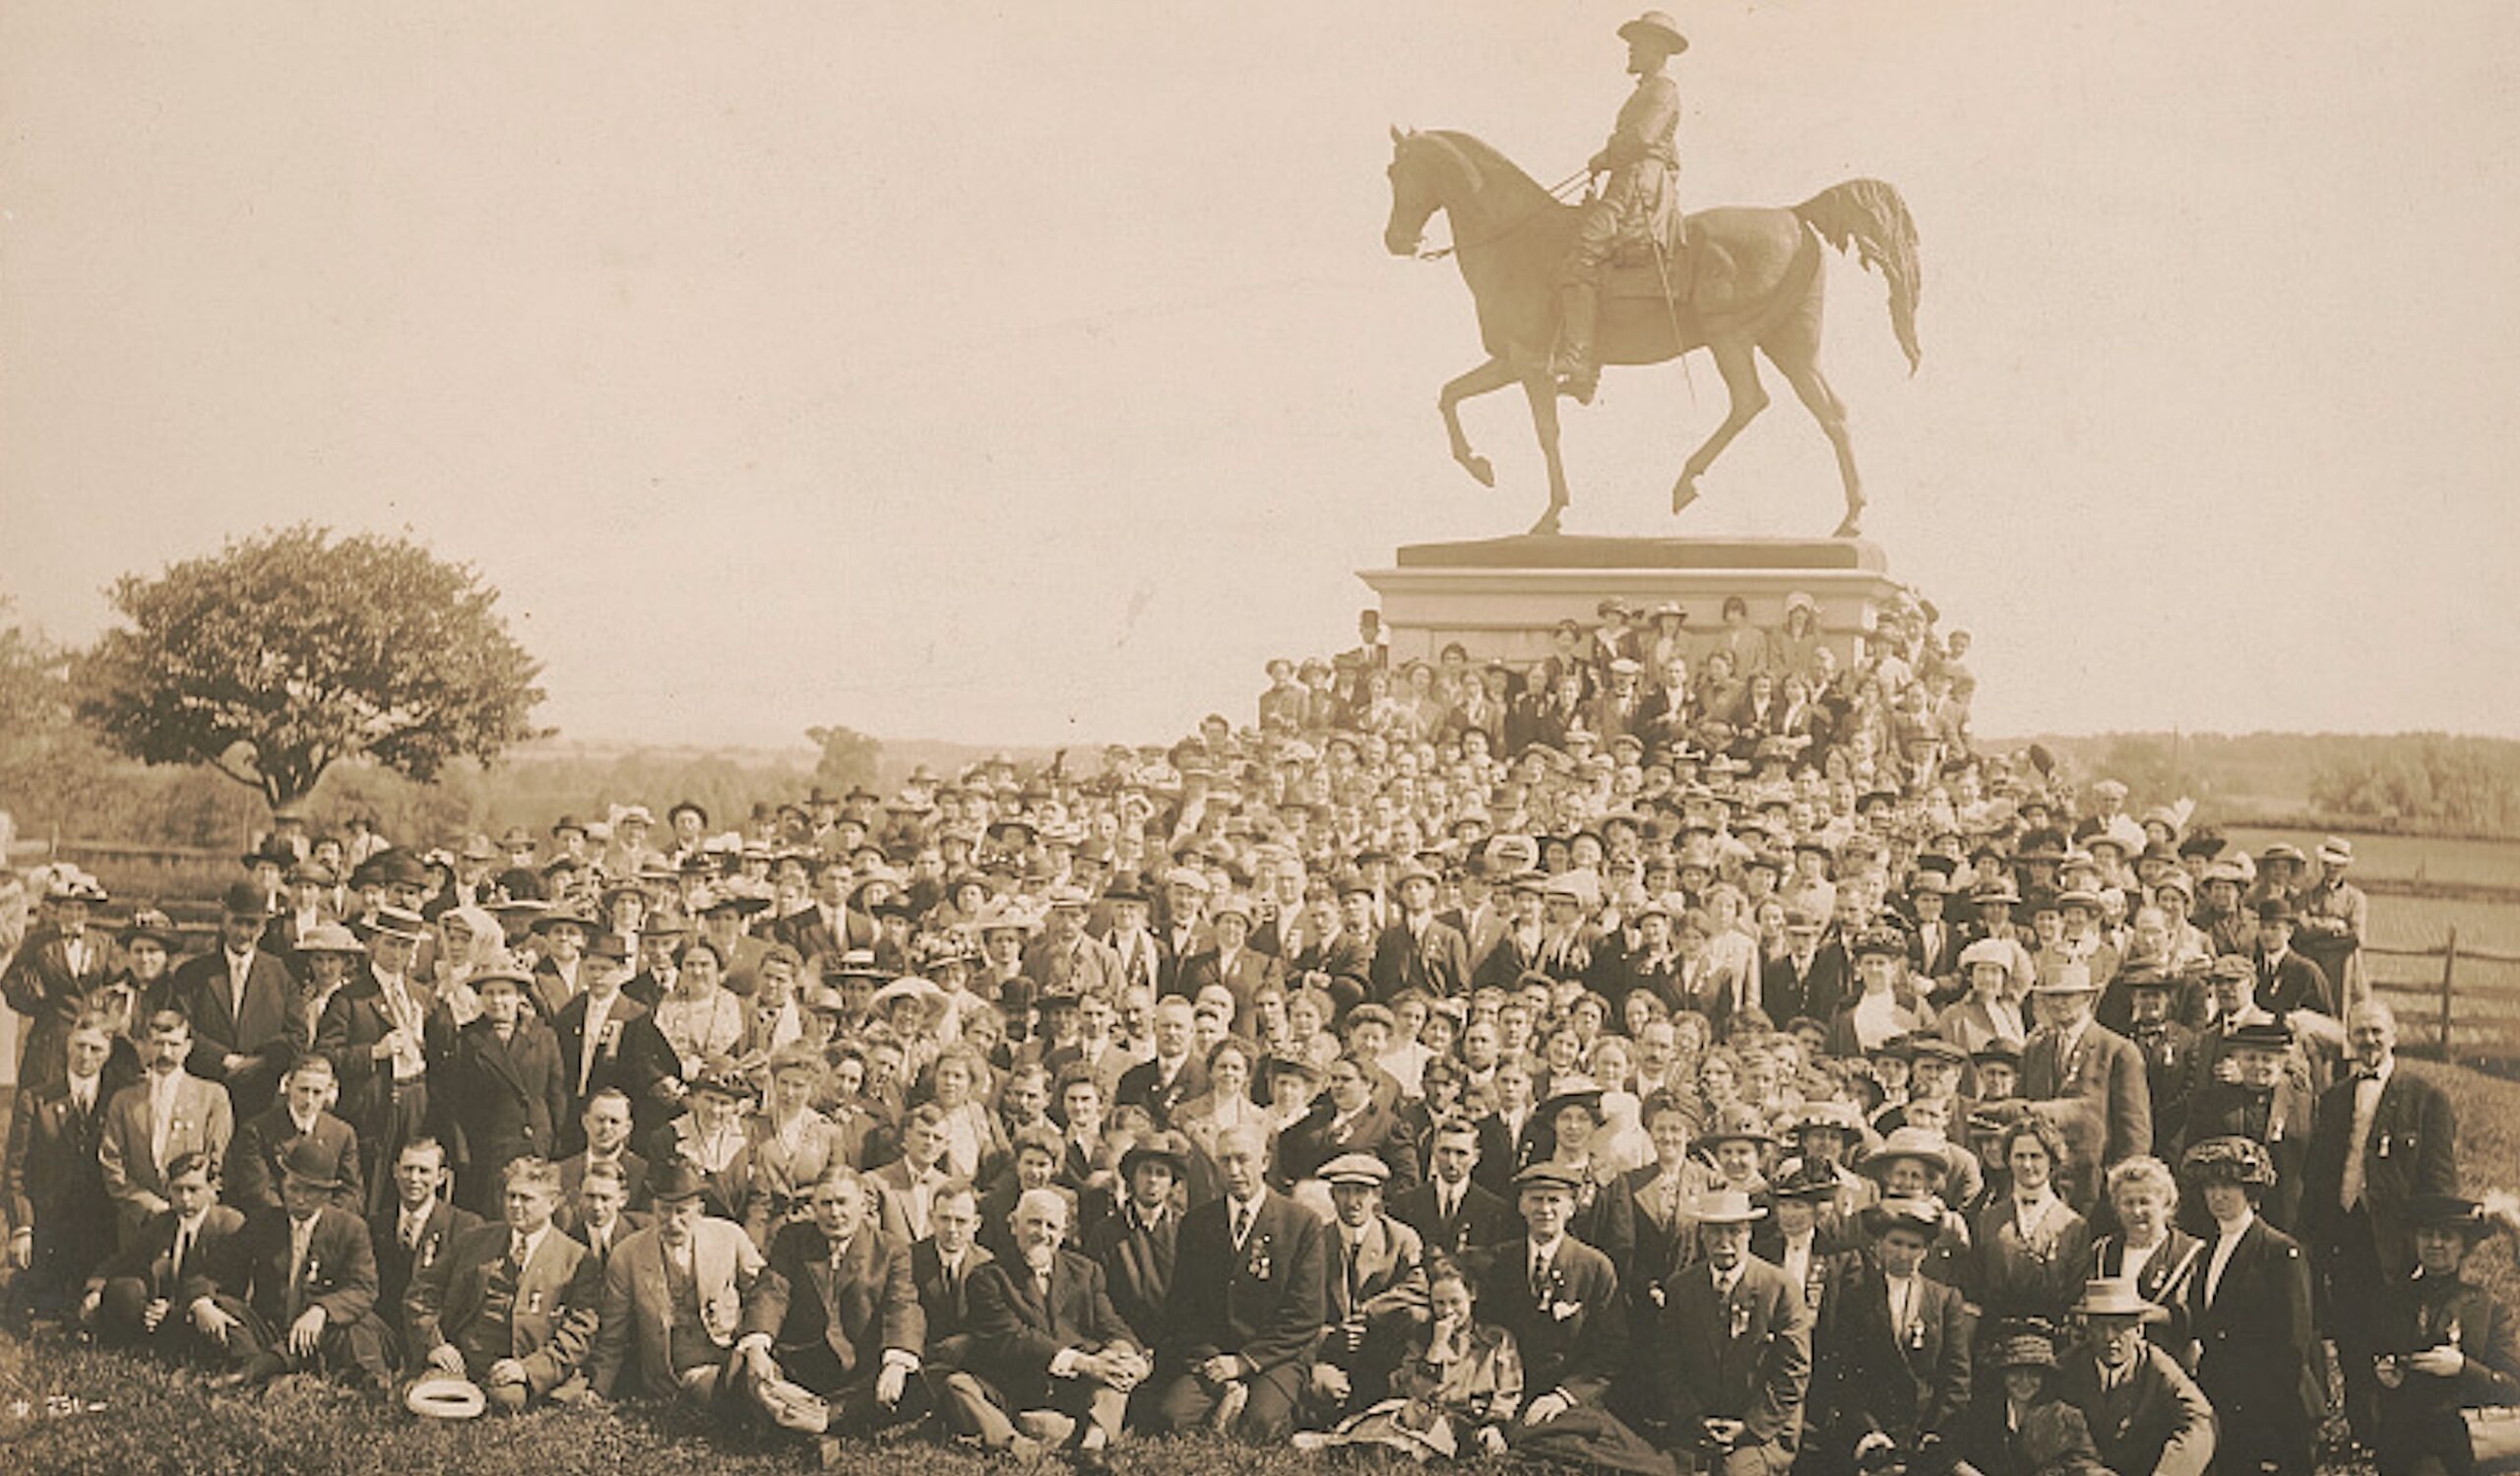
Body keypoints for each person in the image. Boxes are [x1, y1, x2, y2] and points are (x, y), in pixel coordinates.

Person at [2301, 998, 2459, 1448]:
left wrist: (2431, 1244)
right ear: (2348, 1038)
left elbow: (2439, 1180)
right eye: (2360, 1031)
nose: (2368, 1040)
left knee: (2399, 1338)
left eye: (2376, 1031)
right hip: (2345, 1237)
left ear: (2393, 1036)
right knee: (2351, 1336)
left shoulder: (2425, 1097)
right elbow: (2317, 1175)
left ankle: (2402, 1434)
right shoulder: (2333, 1098)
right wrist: (2313, 1237)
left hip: (2398, 1241)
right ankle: (2362, 1431)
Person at [1147, 1121, 1327, 1441]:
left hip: (1275, 1356)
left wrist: (1245, 1363)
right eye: (1224, 1160)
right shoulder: (1197, 1224)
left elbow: (1305, 1314)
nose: (1233, 1170)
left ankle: (1255, 1409)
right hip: (1213, 1355)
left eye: (1243, 1159)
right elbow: (1183, 1306)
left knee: (1259, 1427)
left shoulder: (1301, 1224)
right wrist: (1212, 1360)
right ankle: (1228, 1403)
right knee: (1169, 1419)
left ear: (1265, 1162)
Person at [1550, 9, 1688, 404]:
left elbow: (1643, 138)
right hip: (1630, 179)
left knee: (1581, 257)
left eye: (1637, 44)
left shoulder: (1662, 90)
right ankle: (1586, 369)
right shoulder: (1647, 90)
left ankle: (1579, 360)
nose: (1630, 50)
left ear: (1658, 49)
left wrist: (1604, 156)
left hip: (1635, 188)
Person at [961, 1187, 1148, 1468]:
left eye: (1051, 1226)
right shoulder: (988, 1277)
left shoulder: (1086, 1271)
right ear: (1014, 1225)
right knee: (958, 1386)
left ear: (1063, 1233)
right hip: (1016, 1386)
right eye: (1034, 1222)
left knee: (1115, 1373)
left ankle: (1090, 1448)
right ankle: (1016, 1443)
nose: (1042, 1233)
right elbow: (1015, 1337)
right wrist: (1085, 1363)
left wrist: (1127, 1356)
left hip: (1072, 1389)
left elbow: (1110, 1323)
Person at [406, 1155, 604, 1412]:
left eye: (526, 1198)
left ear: (552, 1203)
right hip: (463, 1360)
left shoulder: (576, 1258)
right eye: (510, 1196)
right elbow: (422, 1291)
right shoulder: (474, 1241)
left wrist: (527, 1369)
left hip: (522, 1363)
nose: (515, 1205)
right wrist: (435, 1344)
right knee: (430, 1396)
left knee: (507, 1400)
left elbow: (581, 1331)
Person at [2183, 1135, 2324, 1476]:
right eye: (2210, 1186)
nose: (2218, 1196)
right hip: (2227, 1404)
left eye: (2229, 1186)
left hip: (2275, 1413)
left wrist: (2263, 1417)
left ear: (2251, 1190)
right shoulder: (2207, 1250)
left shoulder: (2280, 1252)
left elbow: (2292, 1346)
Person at [1294, 1253, 1523, 1461]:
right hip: (1422, 1414)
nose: (1448, 1311)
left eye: (1455, 1302)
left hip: (1468, 1421)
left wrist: (1495, 1425)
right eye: (1439, 1304)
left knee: (1419, 1439)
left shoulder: (1496, 1339)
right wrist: (1435, 1349)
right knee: (1395, 1417)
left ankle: (1352, 1446)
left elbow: (1509, 1391)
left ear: (1472, 1295)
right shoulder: (1422, 1339)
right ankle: (1345, 1441)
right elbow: (1412, 1390)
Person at [1649, 1187, 1811, 1475]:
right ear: (1701, 1235)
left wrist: (1749, 1427)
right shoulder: (1681, 1287)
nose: (1724, 1242)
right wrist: (1695, 1420)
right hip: (1696, 1425)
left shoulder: (1780, 1288)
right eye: (1714, 1233)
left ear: (1749, 1233)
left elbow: (1794, 1371)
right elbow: (1666, 1365)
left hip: (1764, 1429)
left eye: (1734, 1232)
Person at [210, 1136, 394, 1388]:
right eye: (293, 1187)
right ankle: (263, 1369)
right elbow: (218, 1269)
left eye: (311, 1191)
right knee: (222, 1307)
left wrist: (322, 1310)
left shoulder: (350, 1228)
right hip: (273, 1328)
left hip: (322, 1334)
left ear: (328, 1194)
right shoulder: (264, 1222)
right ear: (283, 1182)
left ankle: (256, 1374)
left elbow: (364, 1288)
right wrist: (201, 1301)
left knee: (358, 1325)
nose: (299, 1198)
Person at [1811, 1197, 1971, 1472]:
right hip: (1871, 1435)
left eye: (1913, 1247)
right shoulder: (1856, 1298)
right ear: (1879, 1245)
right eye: (1896, 1243)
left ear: (1926, 1251)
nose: (1903, 1254)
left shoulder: (1945, 1299)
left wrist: (1933, 1432)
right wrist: (1867, 1431)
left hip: (1927, 1435)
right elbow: (1844, 1373)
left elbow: (1956, 1378)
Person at [592, 1157, 767, 1405]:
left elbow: (763, 1295)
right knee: (736, 1392)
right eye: (664, 1210)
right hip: (679, 1372)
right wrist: (599, 1388)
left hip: (733, 1350)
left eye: (682, 1212)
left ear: (700, 1211)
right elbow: (613, 1334)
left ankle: (808, 1422)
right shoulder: (628, 1255)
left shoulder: (729, 1236)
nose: (672, 1222)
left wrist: (755, 1343)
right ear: (653, 1208)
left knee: (761, 1377)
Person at [2371, 1193, 2520, 1476]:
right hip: (2402, 1446)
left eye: (2446, 1236)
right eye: (2427, 1234)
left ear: (2463, 1245)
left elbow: (2512, 1388)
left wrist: (2462, 1368)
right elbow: (2371, 1373)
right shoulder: (2394, 1301)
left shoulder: (2488, 1309)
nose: (2435, 1243)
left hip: (2464, 1449)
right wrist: (2386, 1376)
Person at [6, 1010, 125, 1321]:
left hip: (102, 1227)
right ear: (67, 1045)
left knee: (107, 1302)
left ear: (108, 1052)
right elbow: (14, 1171)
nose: (85, 1056)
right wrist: (21, 1228)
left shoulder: (118, 1099)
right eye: (80, 1045)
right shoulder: (36, 1099)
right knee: (31, 1307)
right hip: (51, 1226)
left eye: (95, 1048)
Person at [80, 1151, 247, 1363]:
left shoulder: (229, 1224)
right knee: (126, 1290)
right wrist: (96, 1289)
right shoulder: (163, 1223)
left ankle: (190, 1354)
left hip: (203, 1309)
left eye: (194, 1190)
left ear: (212, 1188)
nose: (185, 1199)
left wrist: (175, 1310)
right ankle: (132, 1347)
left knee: (216, 1312)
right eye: (178, 1190)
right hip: (162, 1312)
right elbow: (124, 1259)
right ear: (168, 1189)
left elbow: (226, 1281)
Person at [98, 1008, 236, 1247]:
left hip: (195, 1222)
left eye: (174, 1044)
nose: (166, 1053)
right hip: (140, 1224)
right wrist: (149, 1205)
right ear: (144, 1045)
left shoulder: (212, 1096)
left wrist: (193, 1202)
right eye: (158, 1043)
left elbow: (220, 1161)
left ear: (188, 1047)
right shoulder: (123, 1100)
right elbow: (112, 1163)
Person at [2053, 1276, 2216, 1476]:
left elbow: (2201, 1419)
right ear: (2088, 1330)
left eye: (2120, 1326)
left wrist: (2167, 1473)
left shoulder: (2157, 1367)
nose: (2109, 1337)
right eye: (2100, 1326)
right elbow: (2049, 1429)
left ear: (2139, 1330)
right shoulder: (2066, 1367)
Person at [441, 963, 570, 1215]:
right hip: (489, 1150)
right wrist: (463, 1154)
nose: (496, 1000)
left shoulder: (543, 1035)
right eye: (489, 993)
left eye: (504, 992)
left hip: (534, 1145)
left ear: (519, 996)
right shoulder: (467, 1040)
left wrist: (555, 1142)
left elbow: (557, 1093)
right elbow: (454, 1103)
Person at [1309, 1153, 1430, 1418]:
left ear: (1377, 1195)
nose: (1352, 1202)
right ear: (1331, 1195)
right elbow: (1298, 1301)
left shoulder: (1400, 1238)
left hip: (1382, 1350)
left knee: (1417, 1316)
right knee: (1326, 1390)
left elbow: (1418, 1288)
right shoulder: (1315, 1240)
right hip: (1330, 1350)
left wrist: (1369, 1314)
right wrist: (1328, 1336)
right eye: (1343, 1191)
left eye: (1361, 1192)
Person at [169, 881, 297, 1121]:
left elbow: (296, 1033)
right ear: (224, 920)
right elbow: (182, 1028)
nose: (242, 932)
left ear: (264, 927)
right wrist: (224, 1059)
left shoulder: (280, 973)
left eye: (252, 924)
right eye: (237, 922)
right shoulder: (193, 974)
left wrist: (260, 1062)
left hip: (263, 1096)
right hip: (205, 1090)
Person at [223, 1053, 363, 1217]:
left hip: (325, 1227)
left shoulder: (342, 1134)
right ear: (288, 1086)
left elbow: (352, 1194)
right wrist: (291, 1222)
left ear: (328, 1093)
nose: (309, 1100)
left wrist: (319, 1221)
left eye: (317, 1092)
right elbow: (258, 1191)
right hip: (274, 1222)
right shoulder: (257, 1130)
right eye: (303, 1090)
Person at [1392, 1117, 1516, 1258]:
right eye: (1445, 1151)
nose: (1451, 1161)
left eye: (1461, 1153)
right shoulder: (1405, 1205)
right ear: (1434, 1152)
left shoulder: (1496, 1212)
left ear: (1476, 1157)